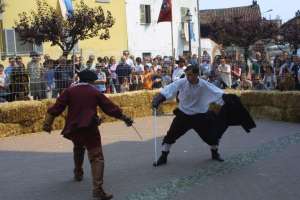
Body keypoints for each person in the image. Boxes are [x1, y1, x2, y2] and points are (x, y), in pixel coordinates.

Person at [43, 69, 133, 200]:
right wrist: (124, 117)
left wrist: (47, 124)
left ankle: (78, 172)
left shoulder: (69, 90)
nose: (95, 84)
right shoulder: (94, 91)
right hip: (89, 127)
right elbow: (110, 108)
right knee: (96, 157)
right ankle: (98, 189)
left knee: (78, 147)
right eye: (94, 81)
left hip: (73, 128)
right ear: (91, 81)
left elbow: (56, 107)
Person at [152, 65, 256, 167]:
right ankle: (163, 156)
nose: (188, 77)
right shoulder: (182, 82)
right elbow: (169, 89)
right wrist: (159, 98)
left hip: (200, 116)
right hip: (184, 115)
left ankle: (215, 153)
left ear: (197, 74)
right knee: (171, 135)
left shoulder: (204, 85)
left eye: (191, 75)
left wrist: (227, 98)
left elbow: (217, 93)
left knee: (212, 137)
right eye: (187, 75)